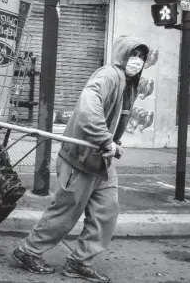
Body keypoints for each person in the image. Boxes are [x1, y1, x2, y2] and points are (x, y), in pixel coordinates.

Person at [11, 36, 149, 283]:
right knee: (65, 212)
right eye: (132, 54)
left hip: (102, 161)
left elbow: (115, 117)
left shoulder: (129, 85)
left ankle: (79, 262)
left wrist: (112, 144)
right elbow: (88, 106)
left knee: (106, 212)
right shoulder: (109, 76)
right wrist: (106, 139)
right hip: (80, 158)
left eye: (141, 56)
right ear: (121, 55)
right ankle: (27, 252)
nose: (136, 61)